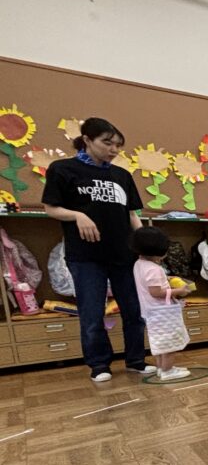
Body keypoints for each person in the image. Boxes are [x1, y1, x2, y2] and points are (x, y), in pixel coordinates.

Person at [42, 117, 155, 382]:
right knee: (92, 313)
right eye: (107, 143)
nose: (113, 150)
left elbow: (131, 214)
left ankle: (136, 360)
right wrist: (77, 216)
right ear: (87, 140)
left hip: (123, 254)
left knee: (134, 311)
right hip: (86, 257)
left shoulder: (121, 175)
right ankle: (99, 365)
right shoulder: (63, 169)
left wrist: (145, 245)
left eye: (118, 145)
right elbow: (51, 208)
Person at [131, 227, 192, 381]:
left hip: (150, 311)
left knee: (159, 342)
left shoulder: (139, 264)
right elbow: (156, 292)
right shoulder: (154, 269)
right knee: (170, 343)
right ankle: (168, 370)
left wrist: (166, 280)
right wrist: (179, 290)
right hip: (162, 312)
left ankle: (161, 368)